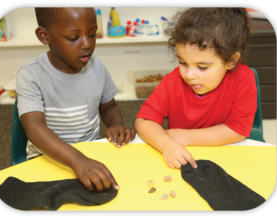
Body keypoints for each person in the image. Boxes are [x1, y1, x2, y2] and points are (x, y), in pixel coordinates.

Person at [16, 7, 135, 192]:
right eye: (73, 38)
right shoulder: (30, 75)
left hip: (90, 153)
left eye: (92, 34)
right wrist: (76, 160)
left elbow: (109, 107)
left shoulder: (97, 67)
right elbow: (34, 128)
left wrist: (117, 124)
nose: (87, 44)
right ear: (44, 36)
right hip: (46, 158)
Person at [135, 7, 257, 170]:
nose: (189, 75)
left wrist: (186, 136)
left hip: (225, 157)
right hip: (180, 157)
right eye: (183, 62)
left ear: (231, 61)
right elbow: (144, 121)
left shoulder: (243, 80)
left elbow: (237, 130)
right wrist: (166, 145)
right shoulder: (173, 81)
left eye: (202, 67)